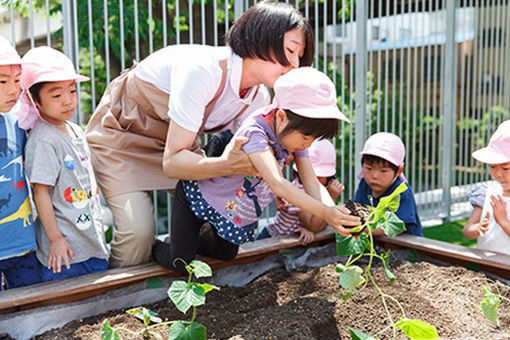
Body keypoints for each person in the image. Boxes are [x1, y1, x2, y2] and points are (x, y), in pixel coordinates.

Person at [85, 1, 315, 268]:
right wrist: (226, 165)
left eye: (300, 56)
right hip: (122, 138)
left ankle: (175, 268)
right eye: (290, 50)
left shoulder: (258, 97)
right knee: (138, 232)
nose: (295, 64)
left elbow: (246, 151)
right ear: (259, 38)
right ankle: (115, 304)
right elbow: (173, 164)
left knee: (211, 217)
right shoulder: (204, 70)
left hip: (178, 147)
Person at [152, 67, 361, 273]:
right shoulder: (255, 133)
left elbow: (311, 181)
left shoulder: (295, 135)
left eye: (313, 140)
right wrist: (325, 212)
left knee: (227, 254)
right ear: (281, 117)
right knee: (180, 262)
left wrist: (335, 212)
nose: (308, 145)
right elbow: (278, 184)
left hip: (229, 209)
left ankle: (189, 242)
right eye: (307, 138)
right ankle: (154, 247)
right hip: (197, 197)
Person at [21, 47, 109, 282]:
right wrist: (56, 240)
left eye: (72, 90)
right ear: (34, 100)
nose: (68, 100)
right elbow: (40, 193)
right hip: (65, 252)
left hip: (90, 243)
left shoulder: (75, 130)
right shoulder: (43, 139)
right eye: (56, 95)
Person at [0, 36, 41, 289]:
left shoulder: (20, 120)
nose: (13, 89)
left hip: (21, 242)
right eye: (2, 82)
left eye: (17, 81)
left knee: (31, 311)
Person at [257, 139, 344, 245]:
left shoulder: (322, 189)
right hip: (273, 238)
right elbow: (313, 225)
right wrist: (331, 197)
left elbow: (323, 222)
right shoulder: (298, 191)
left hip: (290, 240)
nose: (317, 178)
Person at [353, 132, 423, 236]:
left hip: (403, 246)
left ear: (399, 171)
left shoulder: (401, 191)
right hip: (374, 242)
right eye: (369, 169)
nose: (375, 176)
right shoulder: (364, 184)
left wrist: (362, 230)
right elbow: (356, 212)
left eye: (383, 171)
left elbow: (396, 227)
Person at [463, 120, 510, 256]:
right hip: (485, 267)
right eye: (493, 166)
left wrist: (504, 222)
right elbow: (467, 230)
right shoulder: (487, 192)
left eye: (506, 168)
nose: (498, 173)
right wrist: (477, 228)